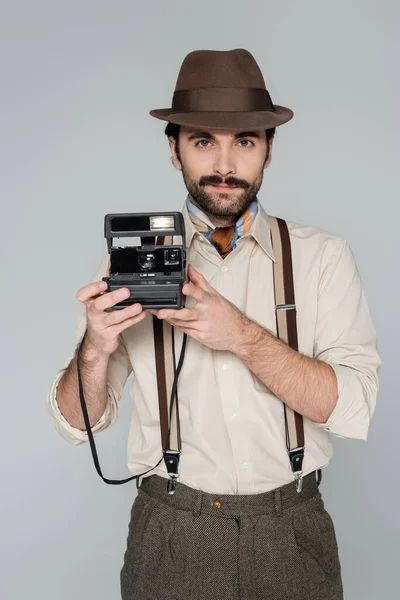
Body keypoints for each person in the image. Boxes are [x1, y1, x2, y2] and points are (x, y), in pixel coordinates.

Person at [46, 49, 381, 600]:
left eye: (244, 141)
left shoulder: (323, 258)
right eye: (203, 140)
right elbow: (76, 424)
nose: (225, 164)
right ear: (174, 150)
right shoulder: (134, 264)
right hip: (170, 533)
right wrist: (94, 347)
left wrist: (242, 336)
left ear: (269, 150)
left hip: (291, 531)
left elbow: (352, 409)